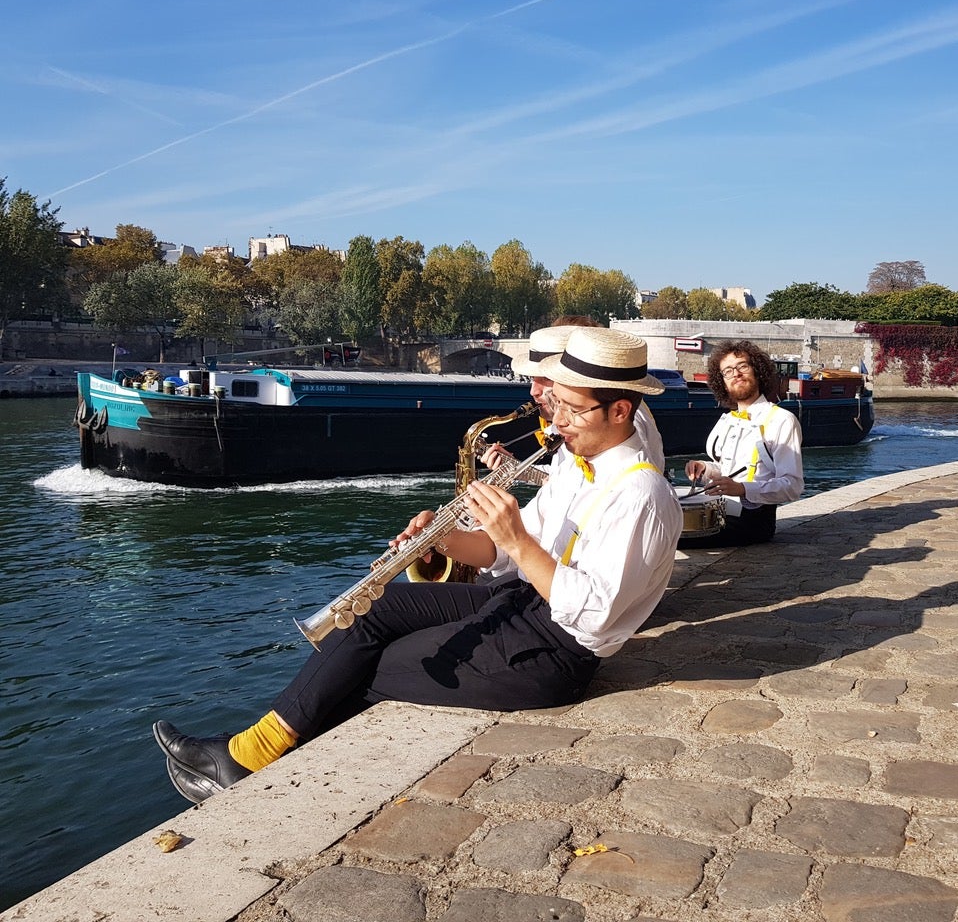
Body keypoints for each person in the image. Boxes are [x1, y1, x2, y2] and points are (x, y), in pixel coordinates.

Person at [153, 328, 682, 803]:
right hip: (519, 601)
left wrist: (518, 540)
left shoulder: (642, 495)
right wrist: (443, 541)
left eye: (572, 409)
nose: (557, 420)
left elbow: (591, 614)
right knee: (378, 607)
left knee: (373, 664)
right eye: (557, 404)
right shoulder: (574, 462)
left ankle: (248, 758)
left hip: (553, 651)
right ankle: (249, 752)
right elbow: (499, 556)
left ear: (620, 411)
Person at [486, 319, 664, 475]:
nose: (533, 391)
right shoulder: (584, 422)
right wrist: (514, 470)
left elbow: (631, 482)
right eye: (532, 379)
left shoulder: (619, 420)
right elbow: (567, 477)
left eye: (546, 378)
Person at [681, 340, 803, 548]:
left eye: (742, 366)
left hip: (754, 522)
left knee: (667, 538)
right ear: (722, 382)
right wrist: (706, 469)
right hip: (720, 513)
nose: (736, 374)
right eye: (727, 371)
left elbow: (793, 486)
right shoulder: (727, 420)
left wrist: (742, 489)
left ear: (758, 371)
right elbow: (728, 469)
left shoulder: (782, 420)